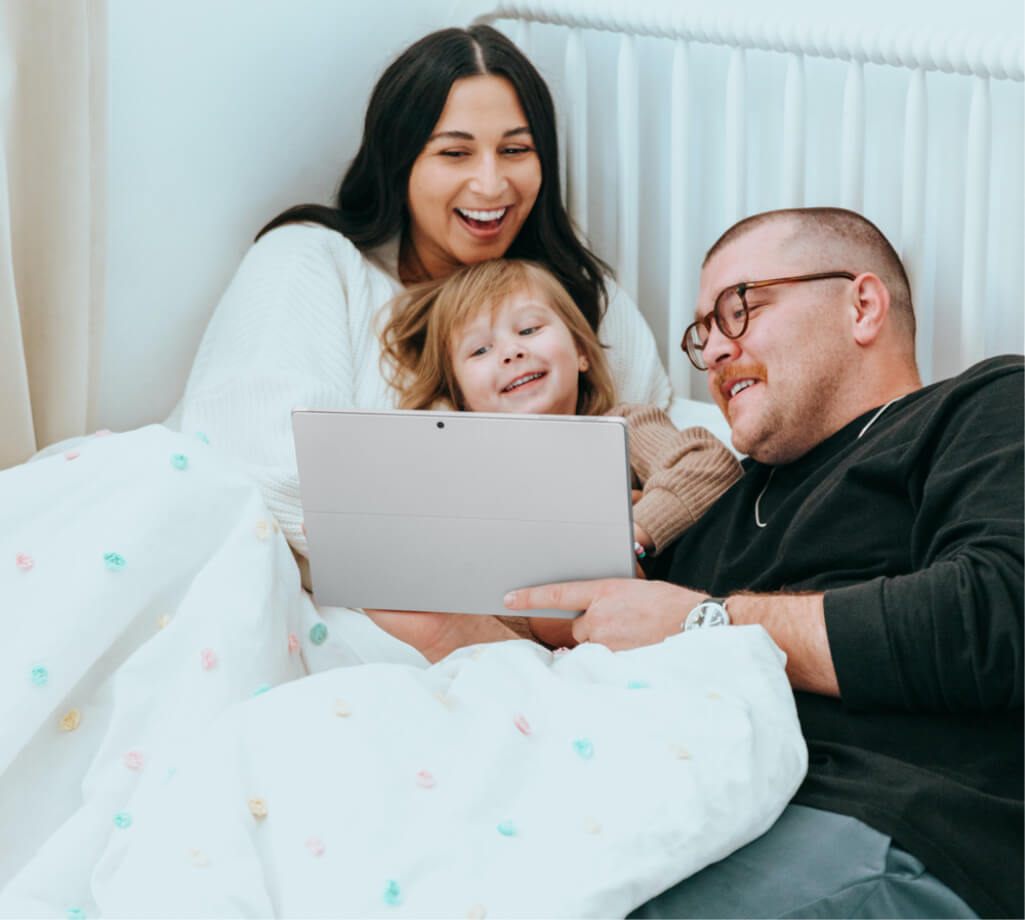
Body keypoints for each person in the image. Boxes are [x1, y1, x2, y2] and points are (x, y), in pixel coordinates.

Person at [503, 207, 1024, 918]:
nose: (715, 350)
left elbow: (996, 619)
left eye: (738, 309)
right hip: (688, 809)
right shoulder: (717, 513)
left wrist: (702, 621)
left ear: (861, 305)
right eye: (702, 333)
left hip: (885, 820)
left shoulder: (982, 406)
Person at [172, 24, 671, 580]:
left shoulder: (582, 298)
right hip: (289, 576)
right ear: (400, 162)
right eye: (455, 152)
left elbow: (655, 455)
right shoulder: (313, 261)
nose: (490, 183)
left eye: (515, 150)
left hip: (514, 610)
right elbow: (265, 460)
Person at [367, 257, 741, 653]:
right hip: (519, 649)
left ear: (580, 351)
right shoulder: (467, 478)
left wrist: (627, 533)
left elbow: (707, 464)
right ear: (460, 398)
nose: (510, 352)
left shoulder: (621, 426)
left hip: (636, 634)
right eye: (480, 350)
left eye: (529, 329)